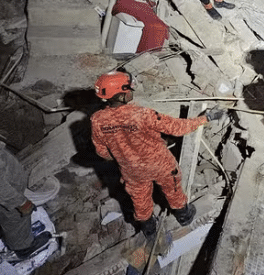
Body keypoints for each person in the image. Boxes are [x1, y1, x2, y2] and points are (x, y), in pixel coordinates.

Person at [91, 71, 222, 237]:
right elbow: (177, 128)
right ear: (122, 97)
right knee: (173, 188)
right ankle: (184, 216)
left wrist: (123, 156)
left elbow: (102, 152)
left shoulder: (97, 120)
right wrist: (205, 118)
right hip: (160, 164)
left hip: (132, 171)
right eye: (129, 89)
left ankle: (149, 229)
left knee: (139, 199)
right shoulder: (142, 114)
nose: (132, 91)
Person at [0, 147, 52, 259]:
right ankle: (23, 248)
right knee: (15, 217)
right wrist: (21, 202)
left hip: (7, 188)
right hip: (7, 196)